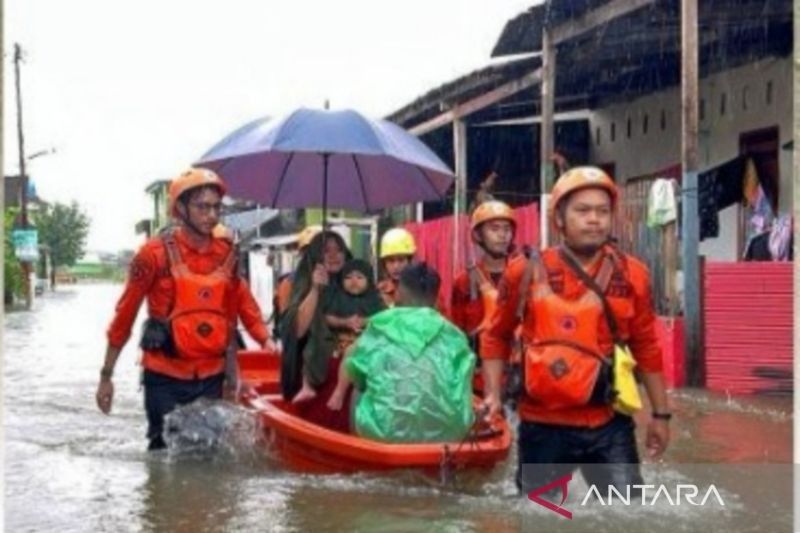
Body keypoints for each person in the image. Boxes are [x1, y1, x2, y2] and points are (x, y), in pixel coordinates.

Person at [479, 166, 671, 493]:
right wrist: (493, 395)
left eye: (602, 211)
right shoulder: (524, 271)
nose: (594, 219)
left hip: (609, 425)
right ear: (560, 220)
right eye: (582, 211)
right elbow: (495, 335)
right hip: (541, 426)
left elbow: (647, 347)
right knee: (540, 518)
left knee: (628, 517)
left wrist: (661, 415)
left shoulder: (634, 275)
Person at [95, 168, 273, 450]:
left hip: (211, 375)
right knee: (164, 455)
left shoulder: (227, 252)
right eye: (202, 207)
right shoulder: (152, 255)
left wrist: (262, 340)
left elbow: (237, 304)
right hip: (164, 376)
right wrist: (106, 376)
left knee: (211, 454)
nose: (211, 215)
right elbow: (124, 315)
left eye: (216, 207)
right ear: (180, 208)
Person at [328, 263, 475, 444]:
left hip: (383, 435)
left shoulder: (381, 324)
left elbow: (353, 363)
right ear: (436, 298)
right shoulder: (454, 335)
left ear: (399, 293)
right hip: (450, 435)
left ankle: (358, 445)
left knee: (356, 378)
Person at [279, 230, 354, 432]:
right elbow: (297, 331)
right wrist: (315, 289)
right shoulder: (299, 286)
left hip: (351, 372)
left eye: (339, 250)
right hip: (316, 377)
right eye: (326, 251)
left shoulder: (356, 284)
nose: (333, 255)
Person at [292, 258, 384, 403]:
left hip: (365, 346)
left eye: (359, 277)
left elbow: (384, 319)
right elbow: (326, 317)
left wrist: (366, 321)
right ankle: (308, 384)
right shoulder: (336, 297)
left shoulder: (377, 300)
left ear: (369, 280)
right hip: (337, 344)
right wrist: (345, 322)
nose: (354, 281)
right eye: (348, 277)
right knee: (314, 347)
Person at [451, 200, 516, 349]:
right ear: (478, 235)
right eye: (494, 229)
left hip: (515, 366)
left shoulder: (521, 276)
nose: (502, 235)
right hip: (478, 367)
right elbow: (456, 332)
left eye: (507, 229)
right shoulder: (464, 282)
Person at [376, 228, 416, 307]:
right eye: (391, 261)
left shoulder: (424, 289)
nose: (396, 266)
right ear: (384, 264)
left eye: (401, 260)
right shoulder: (379, 291)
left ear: (410, 261)